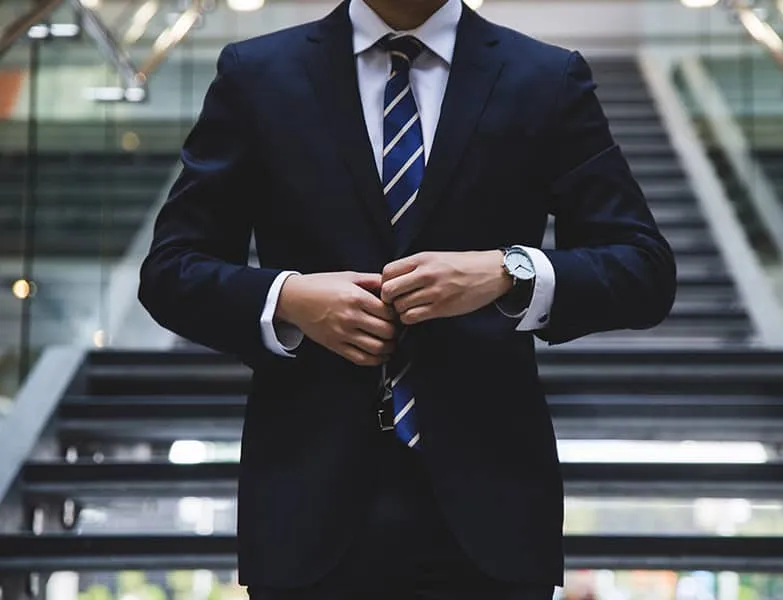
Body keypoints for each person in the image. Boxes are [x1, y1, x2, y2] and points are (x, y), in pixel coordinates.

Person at [138, 0, 677, 597]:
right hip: (306, 509)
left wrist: (509, 271)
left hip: (491, 514)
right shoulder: (258, 73)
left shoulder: (545, 77)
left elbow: (642, 269)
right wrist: (288, 297)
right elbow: (170, 270)